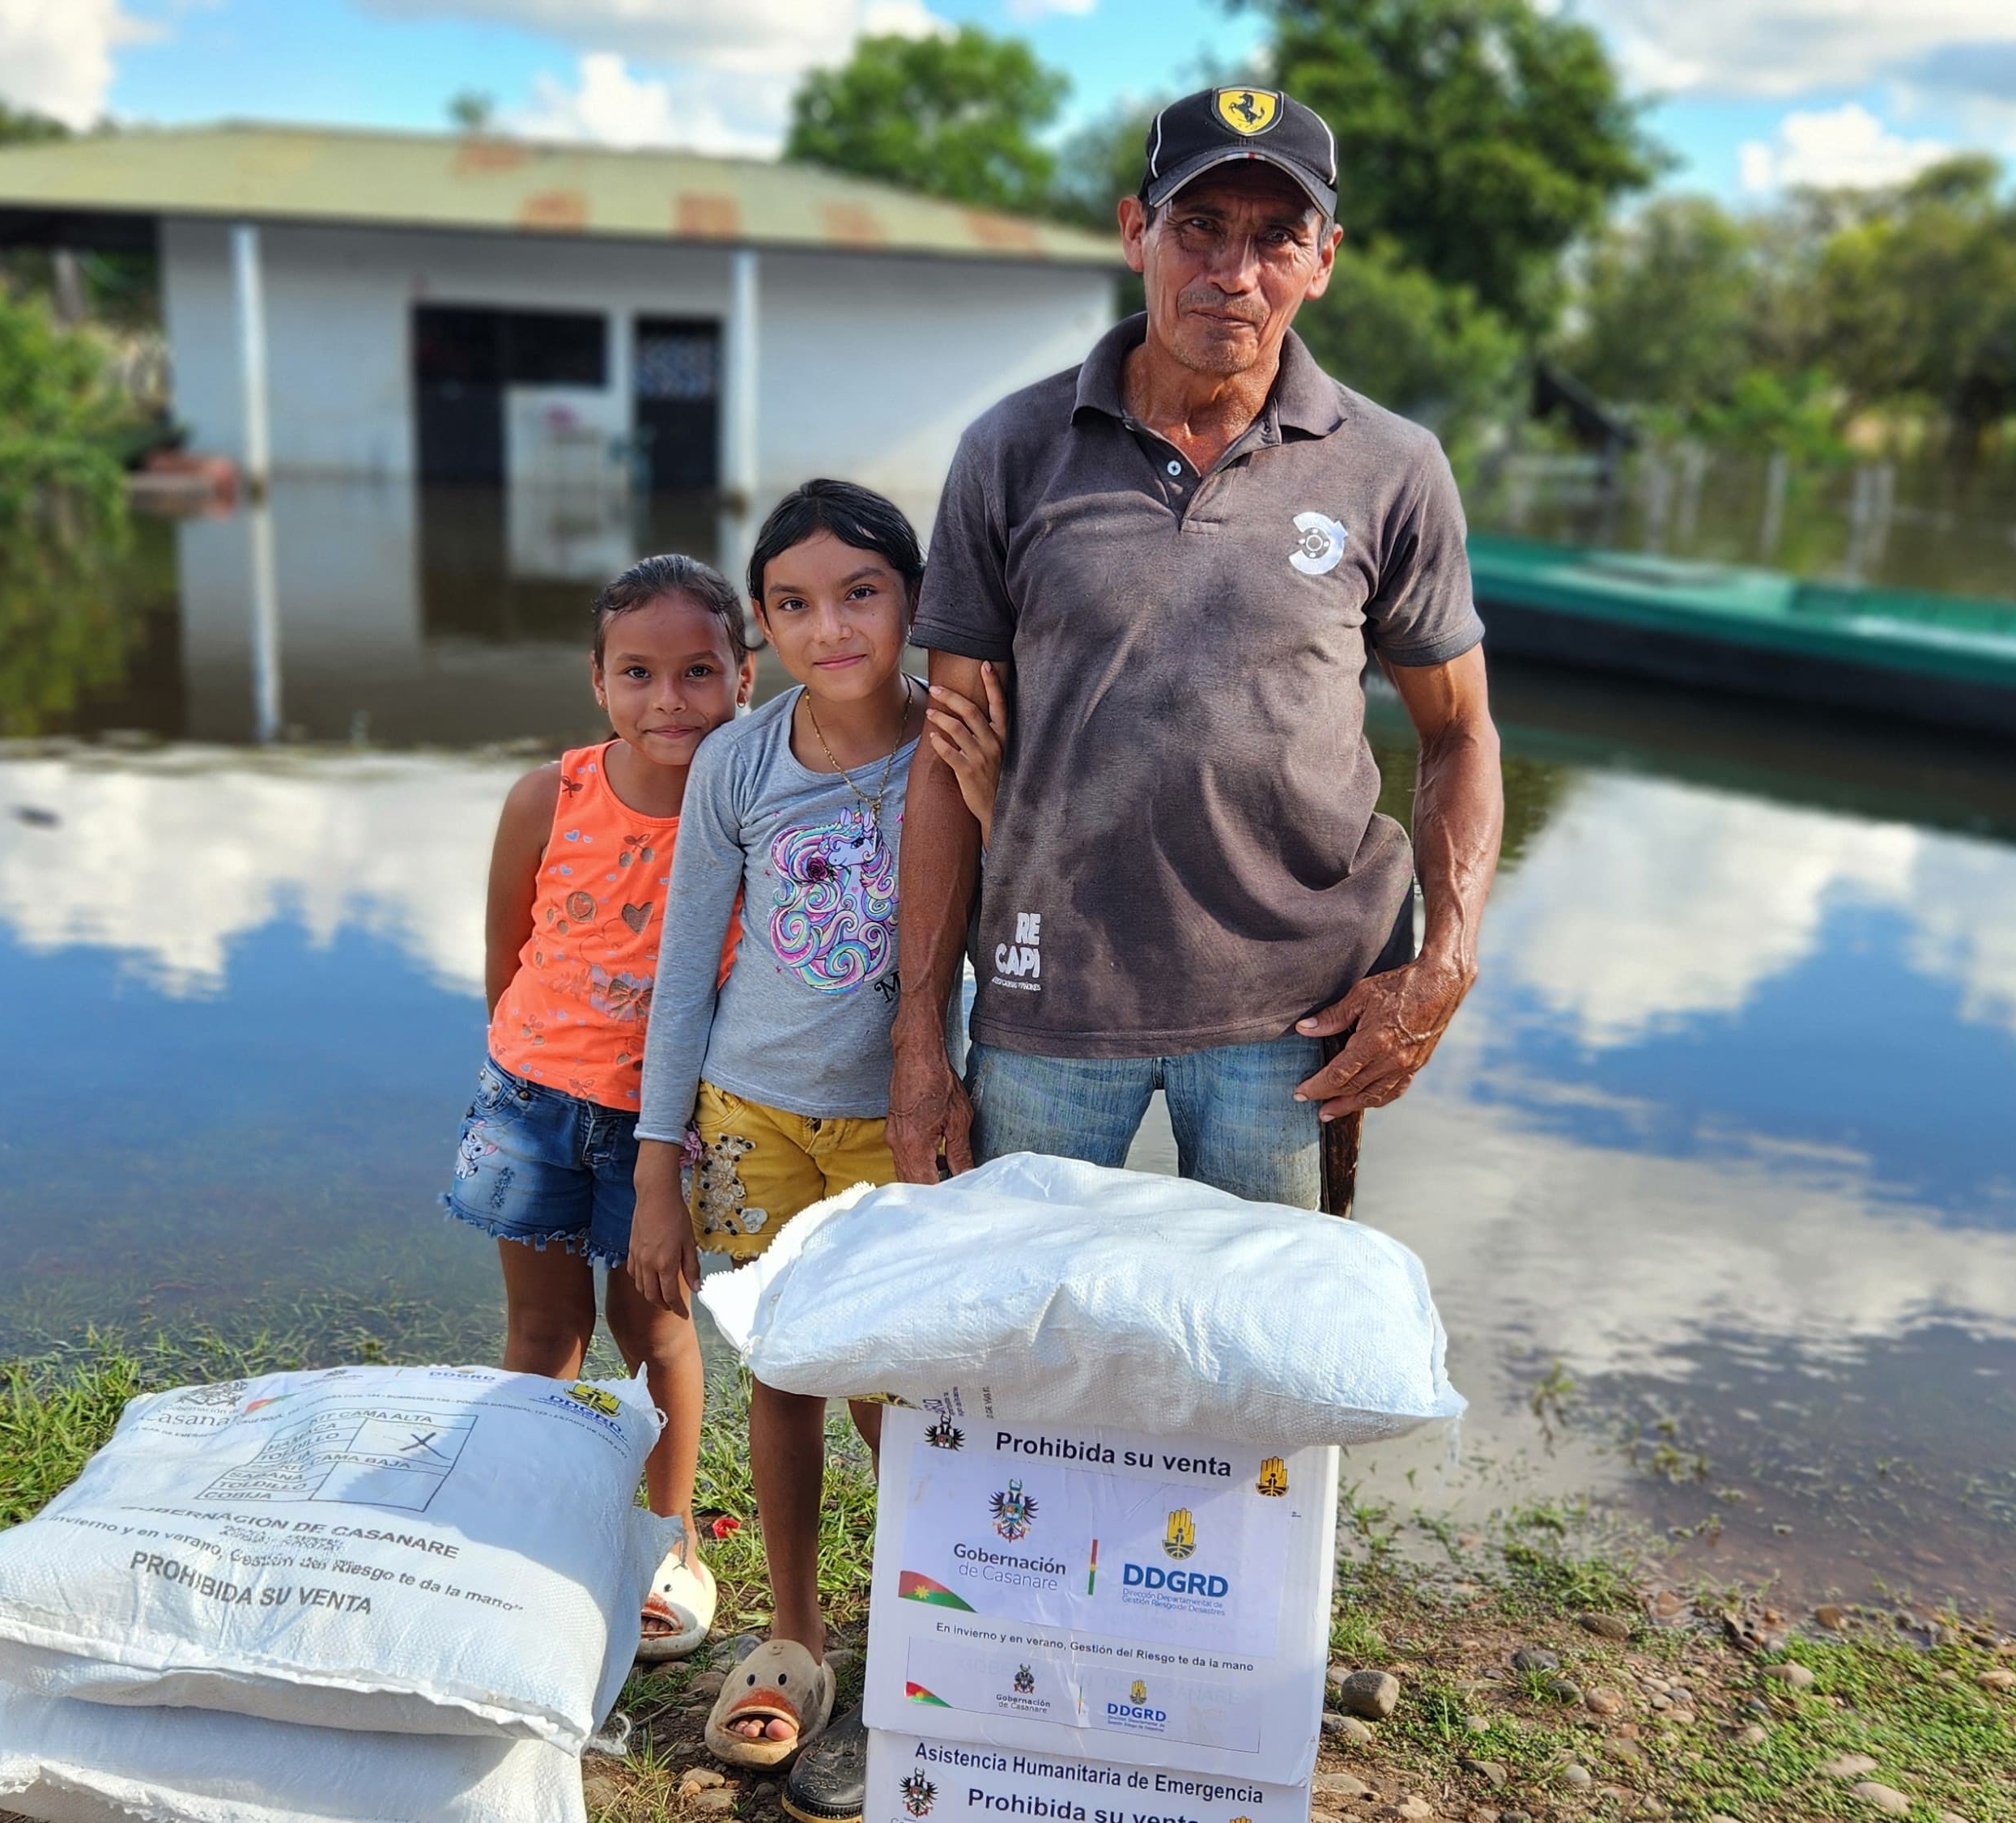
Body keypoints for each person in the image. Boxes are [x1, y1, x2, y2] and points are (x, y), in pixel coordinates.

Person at [891, 85, 1505, 1207]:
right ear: (1137, 234)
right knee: (1022, 1343)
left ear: (1324, 261)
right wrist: (918, 1038)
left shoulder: (1394, 466)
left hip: (1300, 1015)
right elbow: (944, 753)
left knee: (1265, 1358)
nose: (1235, 270)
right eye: (1200, 228)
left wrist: (1445, 962)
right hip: (1048, 999)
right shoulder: (1013, 450)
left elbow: (1459, 733)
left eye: (1279, 237)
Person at [623, 480, 986, 1804]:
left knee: (905, 1390)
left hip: (899, 1123)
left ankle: (939, 1624)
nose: (830, 626)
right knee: (782, 1373)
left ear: (913, 601)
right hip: (751, 1118)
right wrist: (658, 1168)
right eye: (794, 603)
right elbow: (679, 979)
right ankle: (795, 1634)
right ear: (766, 629)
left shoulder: (961, 739)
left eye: (860, 593)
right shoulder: (741, 761)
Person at [444, 553, 753, 1669]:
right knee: (543, 1330)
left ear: (743, 678)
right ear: (598, 682)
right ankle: (535, 1515)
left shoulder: (748, 815)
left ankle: (665, 1538)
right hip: (532, 1101)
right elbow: (504, 952)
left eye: (697, 673)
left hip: (661, 1130)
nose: (667, 701)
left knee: (655, 1328)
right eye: (638, 674)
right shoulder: (548, 796)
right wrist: (524, 1070)